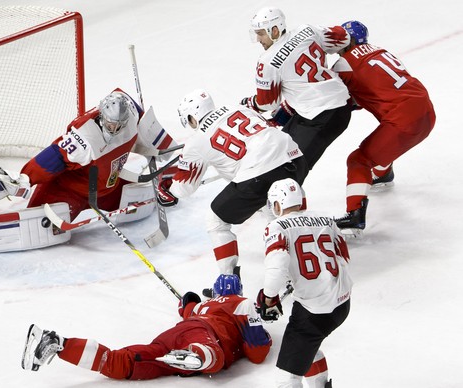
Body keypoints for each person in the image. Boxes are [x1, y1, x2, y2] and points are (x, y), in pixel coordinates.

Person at [0, 88, 176, 259]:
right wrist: (24, 179)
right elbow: (52, 158)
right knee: (37, 225)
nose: (114, 129)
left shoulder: (131, 115)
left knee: (143, 198)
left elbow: (149, 128)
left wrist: (171, 158)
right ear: (101, 116)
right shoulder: (84, 137)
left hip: (107, 188)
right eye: (110, 124)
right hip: (67, 192)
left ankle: (165, 183)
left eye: (119, 125)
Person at [156, 89, 307, 280]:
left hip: (260, 173)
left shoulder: (196, 141)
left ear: (192, 117)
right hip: (295, 157)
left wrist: (169, 189)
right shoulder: (239, 108)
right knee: (273, 206)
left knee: (216, 221)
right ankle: (303, 259)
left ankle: (229, 284)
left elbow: (185, 188)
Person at [21, 274, 272, 379]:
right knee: (213, 357)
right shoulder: (243, 304)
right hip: (205, 335)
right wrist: (262, 333)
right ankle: (197, 355)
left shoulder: (202, 306)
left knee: (127, 360)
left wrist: (189, 302)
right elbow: (257, 354)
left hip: (174, 334)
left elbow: (186, 306)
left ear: (216, 291)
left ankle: (58, 344)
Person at [331, 21, 436, 235]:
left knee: (358, 159)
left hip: (404, 120)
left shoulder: (344, 64)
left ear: (348, 40)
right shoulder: (380, 51)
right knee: (383, 139)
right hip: (426, 110)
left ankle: (355, 215)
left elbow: (334, 98)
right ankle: (383, 172)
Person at [256, 178, 352, 388]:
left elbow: (277, 265)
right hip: (342, 304)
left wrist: (269, 297)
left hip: (314, 311)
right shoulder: (326, 220)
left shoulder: (276, 226)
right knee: (307, 347)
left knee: (287, 378)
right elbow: (343, 258)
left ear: (277, 204)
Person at [241, 6, 352, 172]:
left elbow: (268, 103)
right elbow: (344, 37)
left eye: (261, 33)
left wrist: (251, 103)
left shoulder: (267, 61)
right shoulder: (308, 30)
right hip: (336, 105)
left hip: (319, 116)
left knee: (289, 170)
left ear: (275, 30)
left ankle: (284, 196)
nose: (258, 39)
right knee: (280, 152)